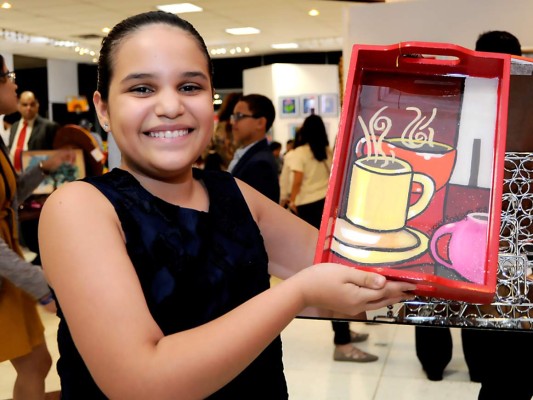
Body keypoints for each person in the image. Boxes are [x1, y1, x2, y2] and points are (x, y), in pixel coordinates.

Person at [38, 11, 416, 399]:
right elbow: (141, 381)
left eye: (189, 86)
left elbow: (358, 272)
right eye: (142, 89)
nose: (170, 106)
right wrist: (297, 294)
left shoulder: (232, 193)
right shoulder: (80, 207)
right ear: (103, 109)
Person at [416, 30, 533, 400]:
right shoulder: (523, 99)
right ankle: (480, 367)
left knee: (462, 289)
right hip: (516, 228)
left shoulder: (461, 93)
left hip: (463, 209)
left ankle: (447, 365)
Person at [0, 55, 74, 400]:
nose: (14, 84)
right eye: (8, 77)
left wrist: (44, 168)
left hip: (9, 273)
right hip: (7, 271)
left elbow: (8, 195)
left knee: (36, 363)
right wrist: (40, 286)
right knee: (35, 363)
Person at [287, 114, 377, 362]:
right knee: (335, 269)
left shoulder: (298, 153)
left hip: (306, 208)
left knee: (326, 272)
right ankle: (343, 332)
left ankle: (343, 336)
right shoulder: (325, 151)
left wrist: (291, 200)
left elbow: (297, 180)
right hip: (326, 209)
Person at [228, 93, 280, 202]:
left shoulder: (261, 165)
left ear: (260, 123)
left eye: (239, 116)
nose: (232, 122)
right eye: (233, 116)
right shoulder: (252, 155)